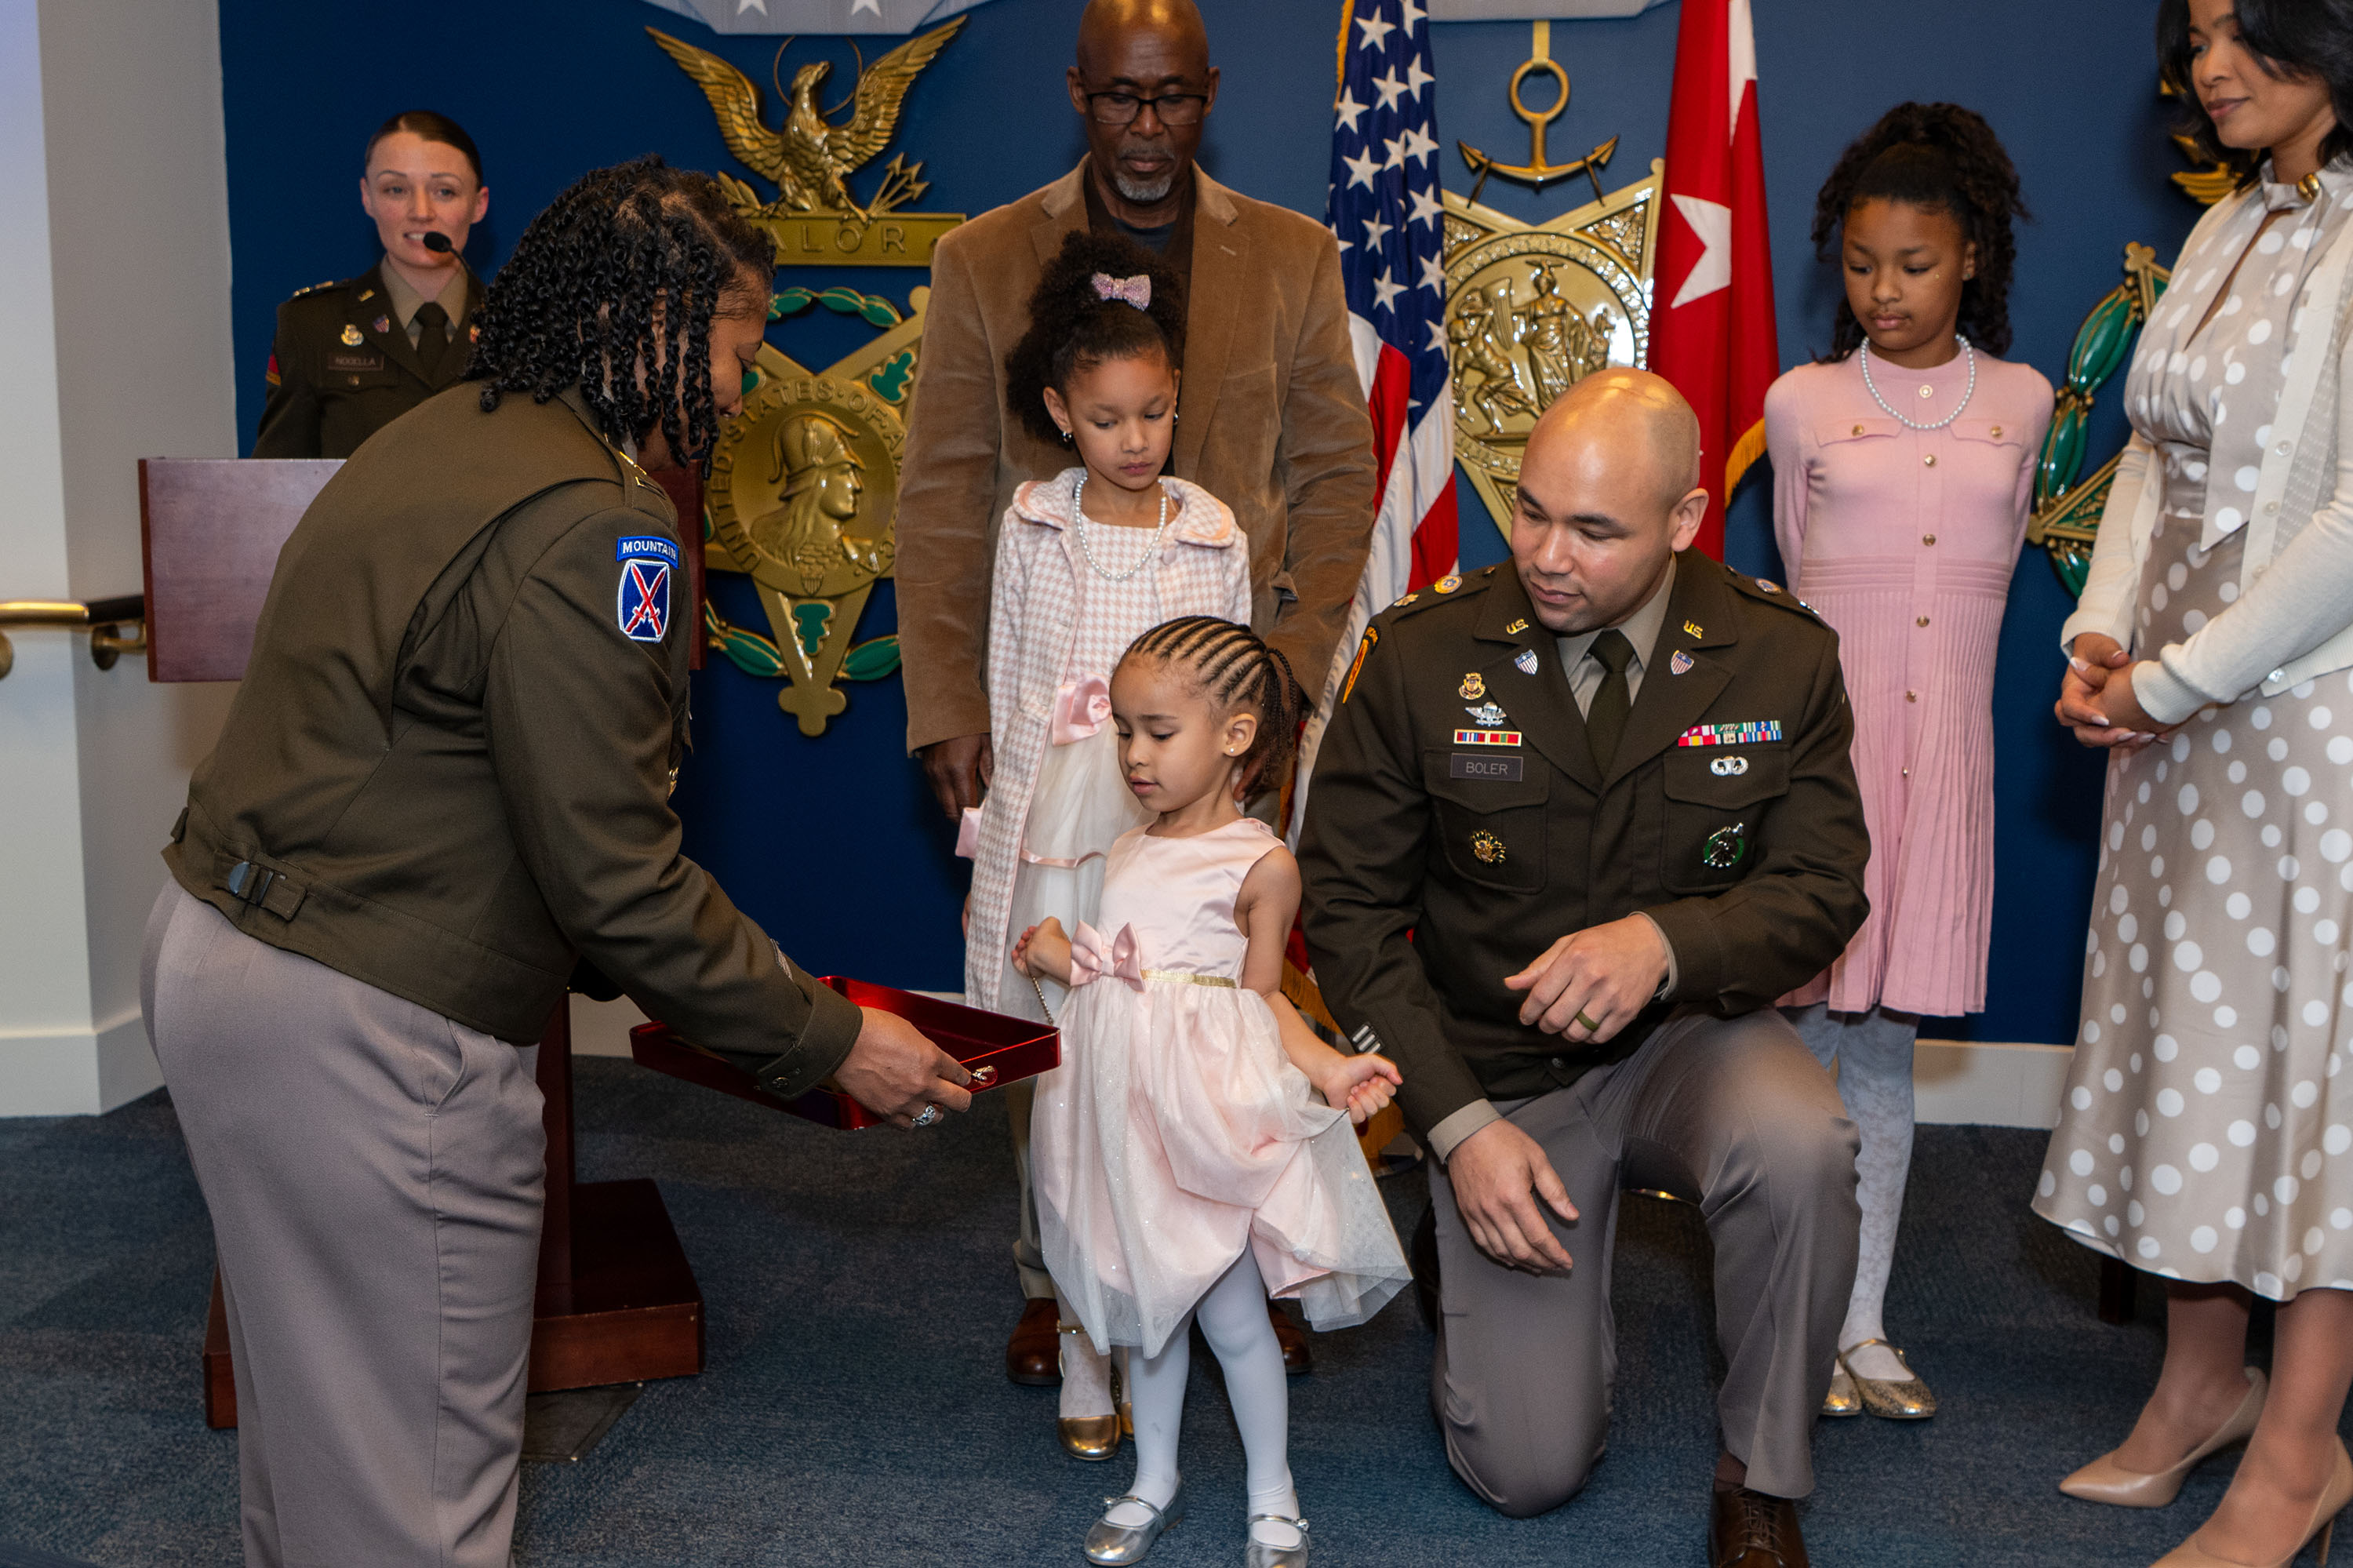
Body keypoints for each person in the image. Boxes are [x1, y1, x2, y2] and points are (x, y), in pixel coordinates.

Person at [143, 158, 973, 1568]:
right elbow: (616, 875)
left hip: (222, 954)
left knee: (317, 1440)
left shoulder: (441, 427)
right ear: (651, 325)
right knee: (413, 1496)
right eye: (734, 346)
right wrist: (834, 1042)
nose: (738, 387)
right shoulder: (604, 522)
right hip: (365, 1021)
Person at [1300, 369, 1869, 1565]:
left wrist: (1666, 944)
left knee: (1802, 1141)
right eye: (1531, 510)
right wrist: (1454, 1124)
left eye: (1594, 530)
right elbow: (1346, 908)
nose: (1547, 556)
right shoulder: (1421, 652)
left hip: (1689, 1040)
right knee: (1526, 1471)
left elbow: (1824, 889)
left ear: (1685, 519)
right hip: (1497, 1068)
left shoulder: (1780, 654)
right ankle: (1465, 1232)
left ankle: (1761, 1473)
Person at [893, 0, 1377, 1389]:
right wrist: (948, 701)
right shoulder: (983, 258)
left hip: (1225, 718)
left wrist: (1281, 677)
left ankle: (1242, 1259)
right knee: (1058, 1001)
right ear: (1078, 92)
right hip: (1050, 722)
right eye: (1121, 98)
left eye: (1173, 98)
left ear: (1209, 93)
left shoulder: (1292, 254)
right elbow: (942, 491)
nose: (1148, 126)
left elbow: (1335, 476)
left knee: (1214, 992)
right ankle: (1059, 1274)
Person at [2038, 2, 2353, 1563]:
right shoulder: (2230, 221)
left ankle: (2300, 1448)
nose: (2209, 66)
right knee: (2195, 1047)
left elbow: (2351, 521)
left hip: (2308, 721)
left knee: (2312, 1076)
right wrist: (2103, 635)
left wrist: (2173, 680)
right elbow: (2156, 457)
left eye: (2246, 32)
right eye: (2200, 34)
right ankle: (2199, 1383)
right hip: (2174, 717)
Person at [1766, 102, 2053, 1425]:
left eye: (1917, 264)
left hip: (1945, 771)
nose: (1885, 290)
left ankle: (1865, 1322)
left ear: (1973, 258)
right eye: (1863, 264)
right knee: (1797, 1048)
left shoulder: (2023, 401)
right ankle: (1791, 1313)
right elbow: (1796, 573)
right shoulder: (1804, 402)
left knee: (1884, 1053)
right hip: (1830, 766)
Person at [1014, 614, 1409, 1566]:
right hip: (1122, 1119)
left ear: (1235, 735)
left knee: (1232, 1318)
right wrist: (1058, 954)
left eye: (1159, 732)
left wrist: (1328, 1067)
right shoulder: (1128, 848)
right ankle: (1154, 1479)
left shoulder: (1260, 864)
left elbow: (1262, 997)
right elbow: (1120, 974)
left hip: (1204, 1124)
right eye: (1123, 731)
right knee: (1148, 1321)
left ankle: (1274, 1492)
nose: (1134, 754)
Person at [964, 230, 1259, 1457]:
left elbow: (1234, 700)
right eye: (1104, 418)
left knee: (1152, 1077)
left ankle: (1162, 1318)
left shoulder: (1213, 534)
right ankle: (1082, 1329)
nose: (1135, 439)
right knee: (1062, 1085)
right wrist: (1005, 831)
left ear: (1177, 400)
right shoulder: (1035, 524)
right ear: (1058, 413)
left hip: (1163, 834)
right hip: (1058, 835)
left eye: (1154, 413)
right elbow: (1009, 681)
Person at [252, 110, 490, 459]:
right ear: (367, 197)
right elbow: (278, 478)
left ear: (479, 204)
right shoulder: (312, 327)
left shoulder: (522, 326)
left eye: (444, 191)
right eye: (396, 189)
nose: (421, 212)